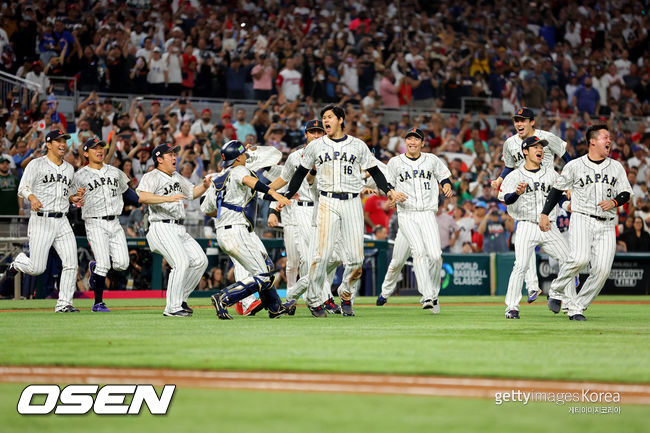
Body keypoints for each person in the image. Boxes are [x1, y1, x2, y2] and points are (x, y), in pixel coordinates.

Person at [281, 105, 407, 317]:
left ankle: (346, 294)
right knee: (321, 257)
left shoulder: (357, 145)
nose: (325, 121)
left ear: (340, 119)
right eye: (323, 118)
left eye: (329, 117)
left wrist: (389, 191)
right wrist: (284, 196)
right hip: (327, 201)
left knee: (356, 259)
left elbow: (375, 171)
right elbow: (300, 174)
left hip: (352, 202)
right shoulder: (315, 146)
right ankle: (314, 300)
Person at [540, 125, 633, 321]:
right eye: (605, 137)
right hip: (582, 217)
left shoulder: (616, 167)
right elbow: (556, 190)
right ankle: (557, 290)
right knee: (580, 259)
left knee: (602, 270)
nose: (609, 140)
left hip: (607, 223)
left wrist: (615, 202)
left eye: (610, 137)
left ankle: (577, 306)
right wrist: (544, 214)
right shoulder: (574, 165)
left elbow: (626, 193)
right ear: (592, 141)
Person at [205, 140, 294, 320]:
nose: (245, 156)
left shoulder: (218, 178)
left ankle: (275, 307)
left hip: (228, 230)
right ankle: (223, 297)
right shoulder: (239, 170)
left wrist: (227, 211)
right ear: (238, 158)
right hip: (237, 231)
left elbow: (208, 209)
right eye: (243, 154)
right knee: (263, 276)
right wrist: (276, 194)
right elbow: (249, 181)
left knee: (267, 267)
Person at [491, 107, 571, 301]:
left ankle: (565, 289)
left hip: (548, 190)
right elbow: (509, 167)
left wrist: (569, 182)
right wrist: (501, 180)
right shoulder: (510, 143)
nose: (519, 123)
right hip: (525, 191)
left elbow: (567, 158)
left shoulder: (546, 138)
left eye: (523, 120)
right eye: (516, 120)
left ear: (532, 122)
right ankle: (531, 288)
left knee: (567, 257)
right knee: (523, 250)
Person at [376, 127, 454, 313]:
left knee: (435, 256)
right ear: (405, 142)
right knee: (413, 255)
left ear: (422, 143)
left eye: (416, 139)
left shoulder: (432, 160)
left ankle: (433, 295)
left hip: (427, 213)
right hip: (407, 214)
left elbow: (444, 176)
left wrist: (447, 185)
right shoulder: (395, 162)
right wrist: (393, 194)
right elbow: (387, 184)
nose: (412, 142)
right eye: (409, 139)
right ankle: (418, 295)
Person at [267, 120, 341, 314]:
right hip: (302, 210)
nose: (316, 136)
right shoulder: (294, 157)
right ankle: (324, 299)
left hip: (325, 207)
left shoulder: (331, 154)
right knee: (310, 260)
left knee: (334, 257)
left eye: (319, 132)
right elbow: (283, 180)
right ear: (306, 135)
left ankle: (292, 295)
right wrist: (266, 191)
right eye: (312, 132)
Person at [5, 130, 84, 312]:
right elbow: (22, 187)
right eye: (58, 141)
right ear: (48, 144)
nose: (63, 144)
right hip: (41, 219)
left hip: (62, 220)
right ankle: (18, 262)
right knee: (37, 268)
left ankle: (64, 303)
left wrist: (74, 199)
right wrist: (31, 197)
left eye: (64, 140)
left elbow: (69, 194)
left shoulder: (69, 169)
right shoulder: (36, 164)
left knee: (71, 263)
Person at [497, 136, 576, 319]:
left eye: (541, 146)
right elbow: (505, 199)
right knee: (521, 266)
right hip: (525, 225)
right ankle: (512, 307)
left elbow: (560, 197)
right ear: (525, 151)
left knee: (569, 260)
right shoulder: (515, 175)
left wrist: (566, 206)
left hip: (549, 226)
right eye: (535, 147)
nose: (540, 149)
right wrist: (516, 193)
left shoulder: (551, 174)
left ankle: (570, 304)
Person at [136, 144, 210, 317]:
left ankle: (180, 299)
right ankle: (172, 307)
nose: (174, 156)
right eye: (169, 154)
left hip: (178, 227)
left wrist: (205, 185)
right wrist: (167, 199)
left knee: (200, 261)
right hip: (161, 225)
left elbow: (192, 193)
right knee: (181, 262)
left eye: (174, 153)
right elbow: (142, 196)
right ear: (159, 159)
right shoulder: (152, 176)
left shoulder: (176, 176)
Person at [72, 137, 138, 312]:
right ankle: (98, 303)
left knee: (122, 264)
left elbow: (128, 193)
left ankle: (94, 271)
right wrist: (75, 199)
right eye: (94, 148)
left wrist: (147, 200)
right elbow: (71, 199)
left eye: (101, 147)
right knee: (103, 264)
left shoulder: (115, 172)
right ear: (86, 153)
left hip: (115, 222)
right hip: (94, 222)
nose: (99, 150)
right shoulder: (79, 175)